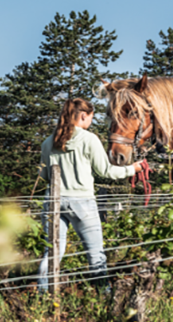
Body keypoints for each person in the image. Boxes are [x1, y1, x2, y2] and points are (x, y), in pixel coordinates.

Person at [37, 98, 144, 292]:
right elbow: (106, 171)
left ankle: (43, 294)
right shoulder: (89, 139)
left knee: (52, 253)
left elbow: (44, 175)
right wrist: (133, 169)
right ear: (83, 115)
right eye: (91, 118)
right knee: (95, 254)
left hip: (53, 201)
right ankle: (103, 294)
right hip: (82, 201)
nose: (91, 123)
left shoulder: (48, 142)